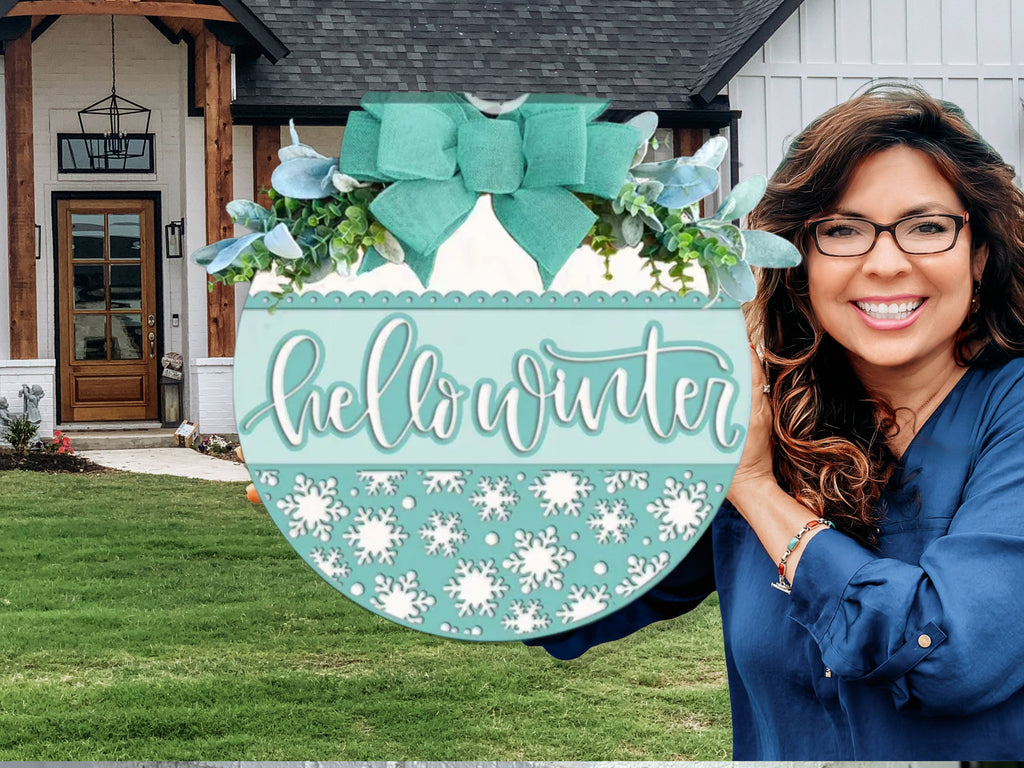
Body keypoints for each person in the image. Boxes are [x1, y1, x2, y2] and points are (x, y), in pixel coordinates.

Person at [527, 83, 1024, 759]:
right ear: (799, 262)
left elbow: (951, 657)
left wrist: (758, 490)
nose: (885, 262)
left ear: (981, 253)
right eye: (842, 230)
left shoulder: (1009, 414)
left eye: (927, 227)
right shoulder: (769, 416)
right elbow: (566, 601)